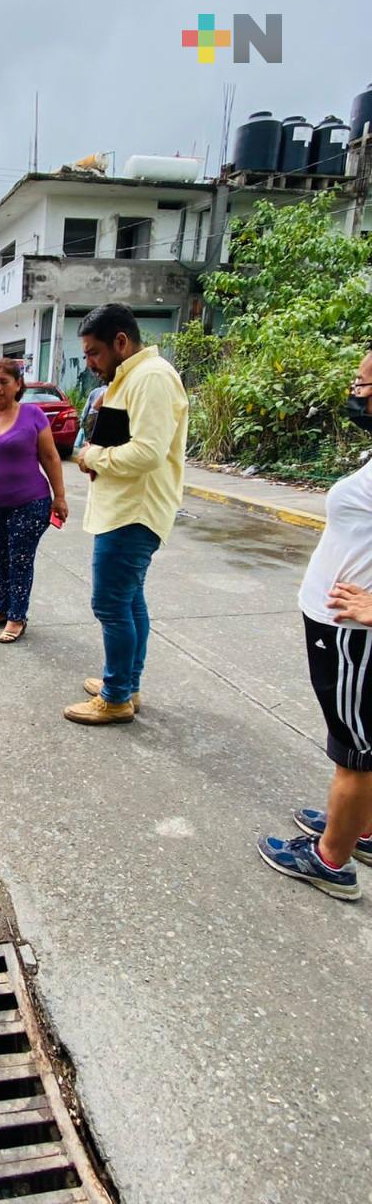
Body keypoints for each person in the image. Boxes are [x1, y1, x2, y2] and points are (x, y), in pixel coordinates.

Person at [257, 349, 372, 901]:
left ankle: (332, 861)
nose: (357, 391)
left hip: (354, 632)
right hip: (336, 623)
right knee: (358, 739)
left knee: (354, 749)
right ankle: (358, 829)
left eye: (365, 382)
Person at [64, 303, 188, 725]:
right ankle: (125, 684)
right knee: (129, 601)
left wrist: (93, 456)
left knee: (110, 604)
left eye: (94, 353)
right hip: (123, 509)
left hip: (134, 513)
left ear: (121, 342)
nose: (90, 364)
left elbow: (149, 452)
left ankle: (116, 697)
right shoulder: (131, 377)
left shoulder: (151, 378)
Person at [0, 358, 68, 643]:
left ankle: (17, 617)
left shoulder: (33, 417)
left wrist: (60, 497)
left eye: (4, 382)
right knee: (0, 560)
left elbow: (51, 457)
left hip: (30, 504)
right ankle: (3, 609)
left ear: (18, 385)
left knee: (19, 558)